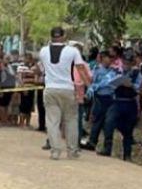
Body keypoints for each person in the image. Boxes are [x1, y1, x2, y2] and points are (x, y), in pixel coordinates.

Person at [39, 26, 85, 160]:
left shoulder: (43, 51)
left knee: (53, 121)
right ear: (64, 36)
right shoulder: (73, 51)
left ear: (51, 36)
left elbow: (42, 68)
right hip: (68, 88)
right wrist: (87, 82)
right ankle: (72, 151)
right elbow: (80, 68)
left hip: (50, 88)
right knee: (71, 120)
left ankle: (55, 151)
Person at [81, 51, 121, 152]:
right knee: (97, 121)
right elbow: (92, 83)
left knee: (109, 123)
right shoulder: (97, 70)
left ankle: (107, 147)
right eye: (107, 58)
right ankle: (92, 142)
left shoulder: (114, 71)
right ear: (102, 59)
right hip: (100, 98)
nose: (109, 60)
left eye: (111, 58)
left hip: (111, 98)